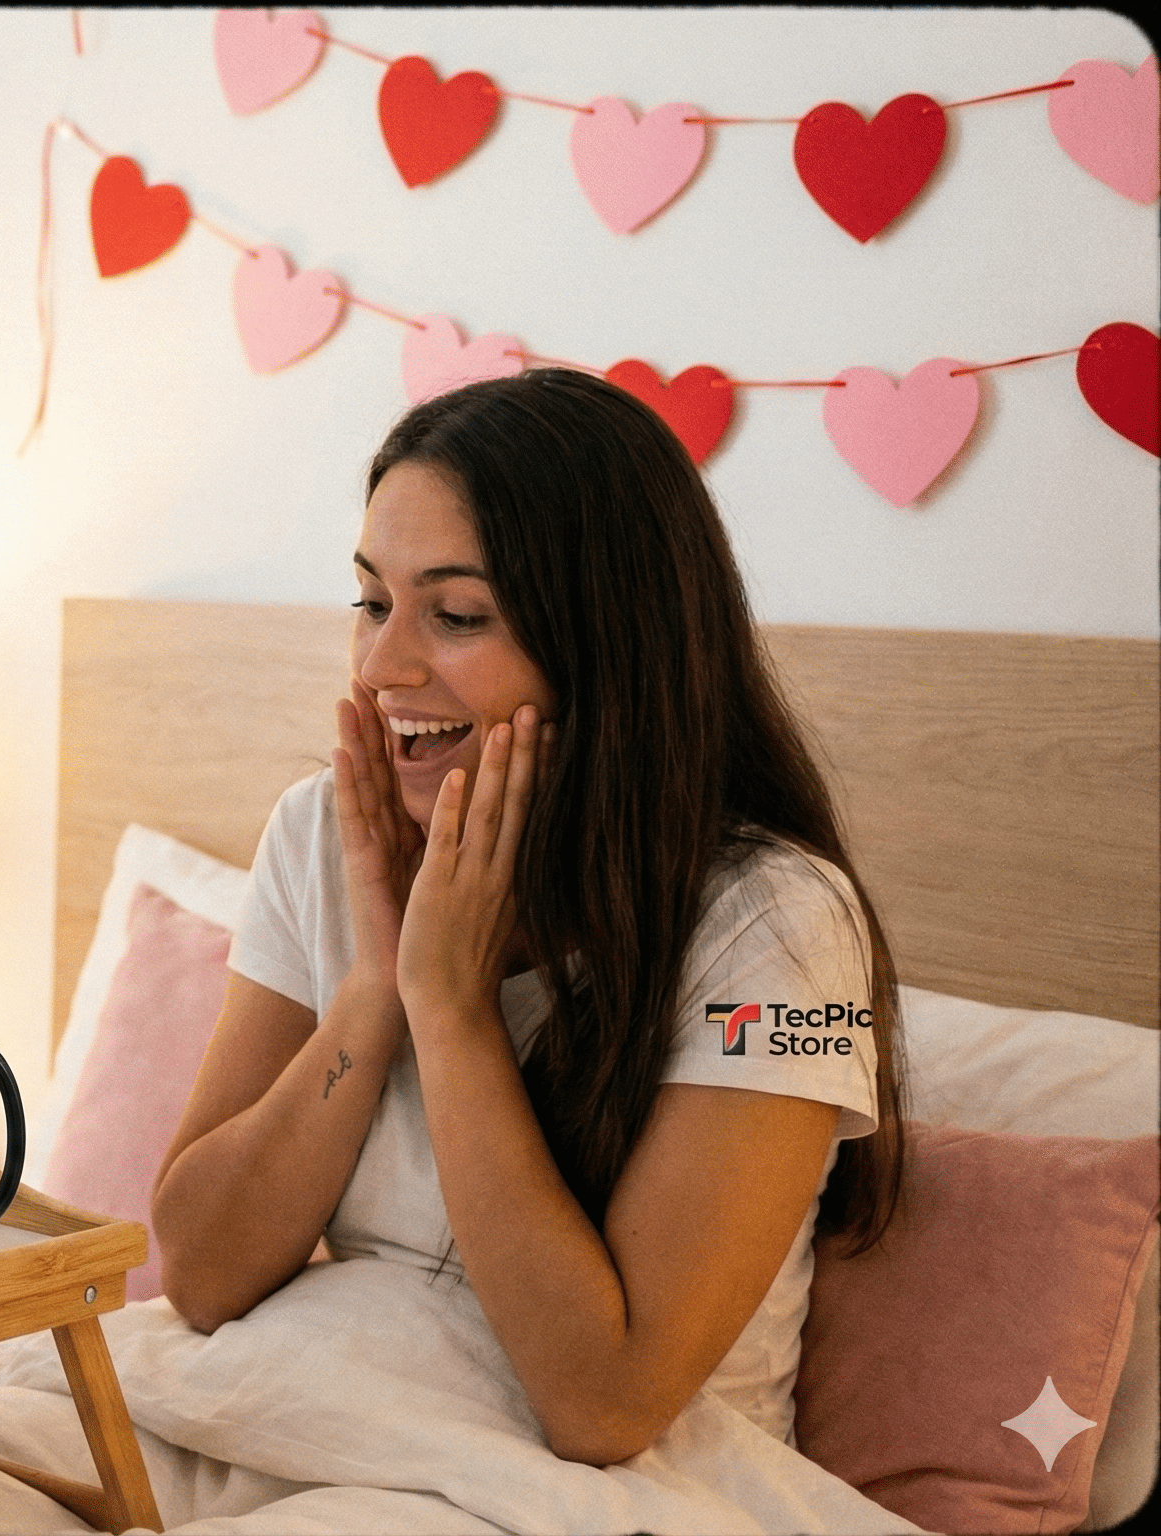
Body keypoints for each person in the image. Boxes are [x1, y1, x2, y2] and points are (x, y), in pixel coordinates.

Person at [149, 368, 907, 1466]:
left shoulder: (785, 928)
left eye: (455, 615)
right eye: (371, 602)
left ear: (607, 645)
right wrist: (372, 990)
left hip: (618, 1491)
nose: (380, 665)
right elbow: (199, 1275)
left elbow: (604, 1405)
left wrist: (448, 1006)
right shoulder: (327, 833)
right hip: (308, 1421)